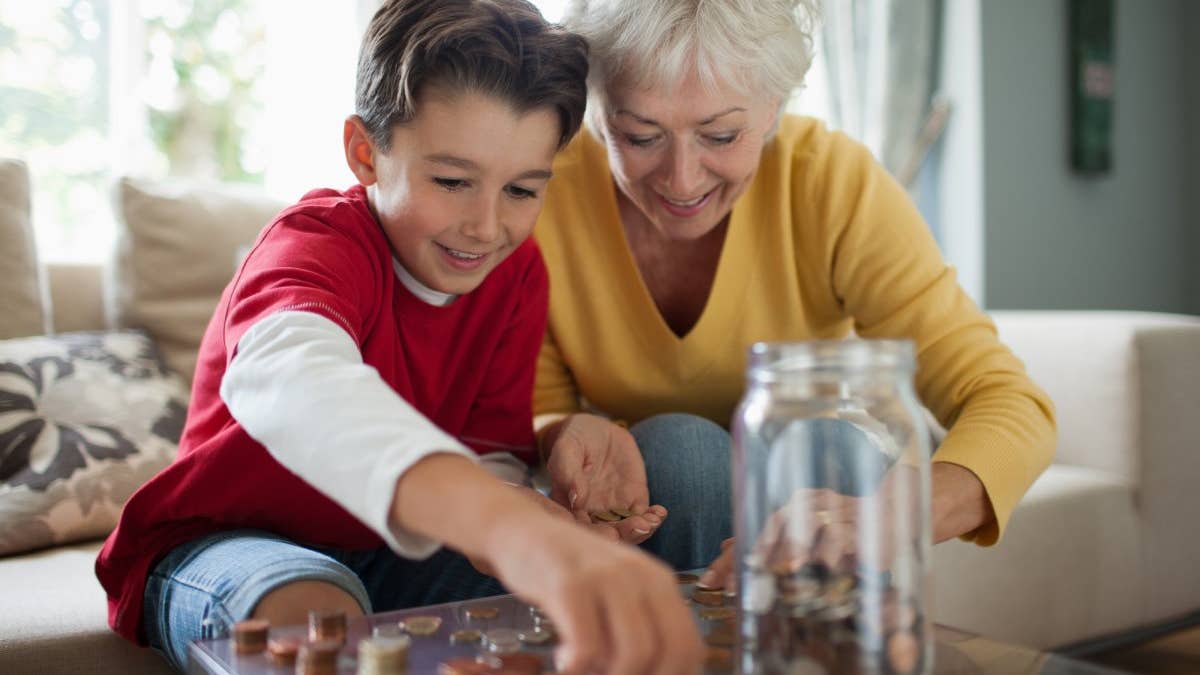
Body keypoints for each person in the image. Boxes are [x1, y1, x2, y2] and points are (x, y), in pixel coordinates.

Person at [95, 2, 703, 673]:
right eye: (451, 181)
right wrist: (503, 525)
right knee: (319, 615)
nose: (485, 225)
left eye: (523, 190)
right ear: (365, 153)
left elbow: (487, 452)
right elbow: (298, 382)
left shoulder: (518, 275)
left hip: (392, 551)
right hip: (232, 541)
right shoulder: (315, 245)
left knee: (566, 597)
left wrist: (523, 508)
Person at [533, 0, 1057, 584]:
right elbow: (541, 404)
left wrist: (898, 514)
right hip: (655, 485)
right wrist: (562, 429)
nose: (682, 180)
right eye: (640, 136)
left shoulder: (830, 181)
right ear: (596, 112)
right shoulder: (543, 186)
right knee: (683, 453)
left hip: (816, 472)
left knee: (823, 443)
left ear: (774, 109)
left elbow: (1008, 401)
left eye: (722, 134)